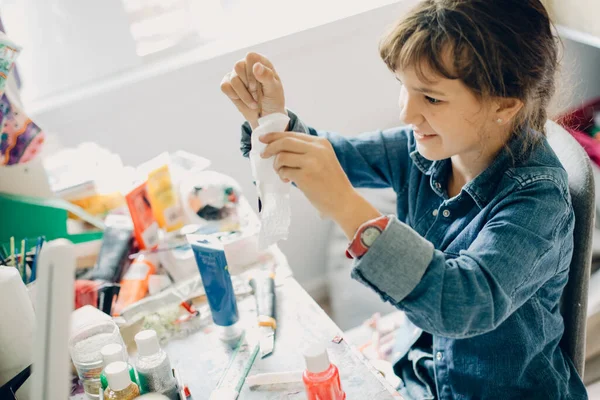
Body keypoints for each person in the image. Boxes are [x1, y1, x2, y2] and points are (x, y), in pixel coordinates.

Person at [220, 0, 588, 398]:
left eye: (431, 98)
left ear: (503, 104)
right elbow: (332, 154)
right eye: (403, 87)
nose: (407, 114)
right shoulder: (420, 149)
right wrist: (273, 123)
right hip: (422, 374)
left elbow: (461, 303)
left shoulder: (538, 201)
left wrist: (347, 208)